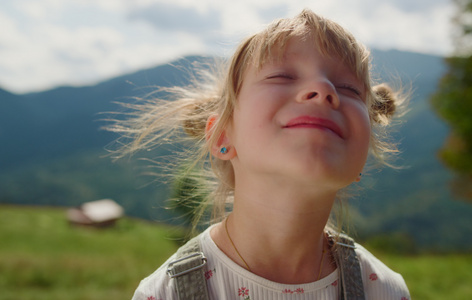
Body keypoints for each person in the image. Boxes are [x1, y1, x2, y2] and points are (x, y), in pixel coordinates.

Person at [111, 9, 410, 300]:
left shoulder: (384, 291)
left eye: (348, 88)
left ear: (361, 157)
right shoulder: (164, 294)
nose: (323, 88)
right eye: (282, 76)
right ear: (223, 135)